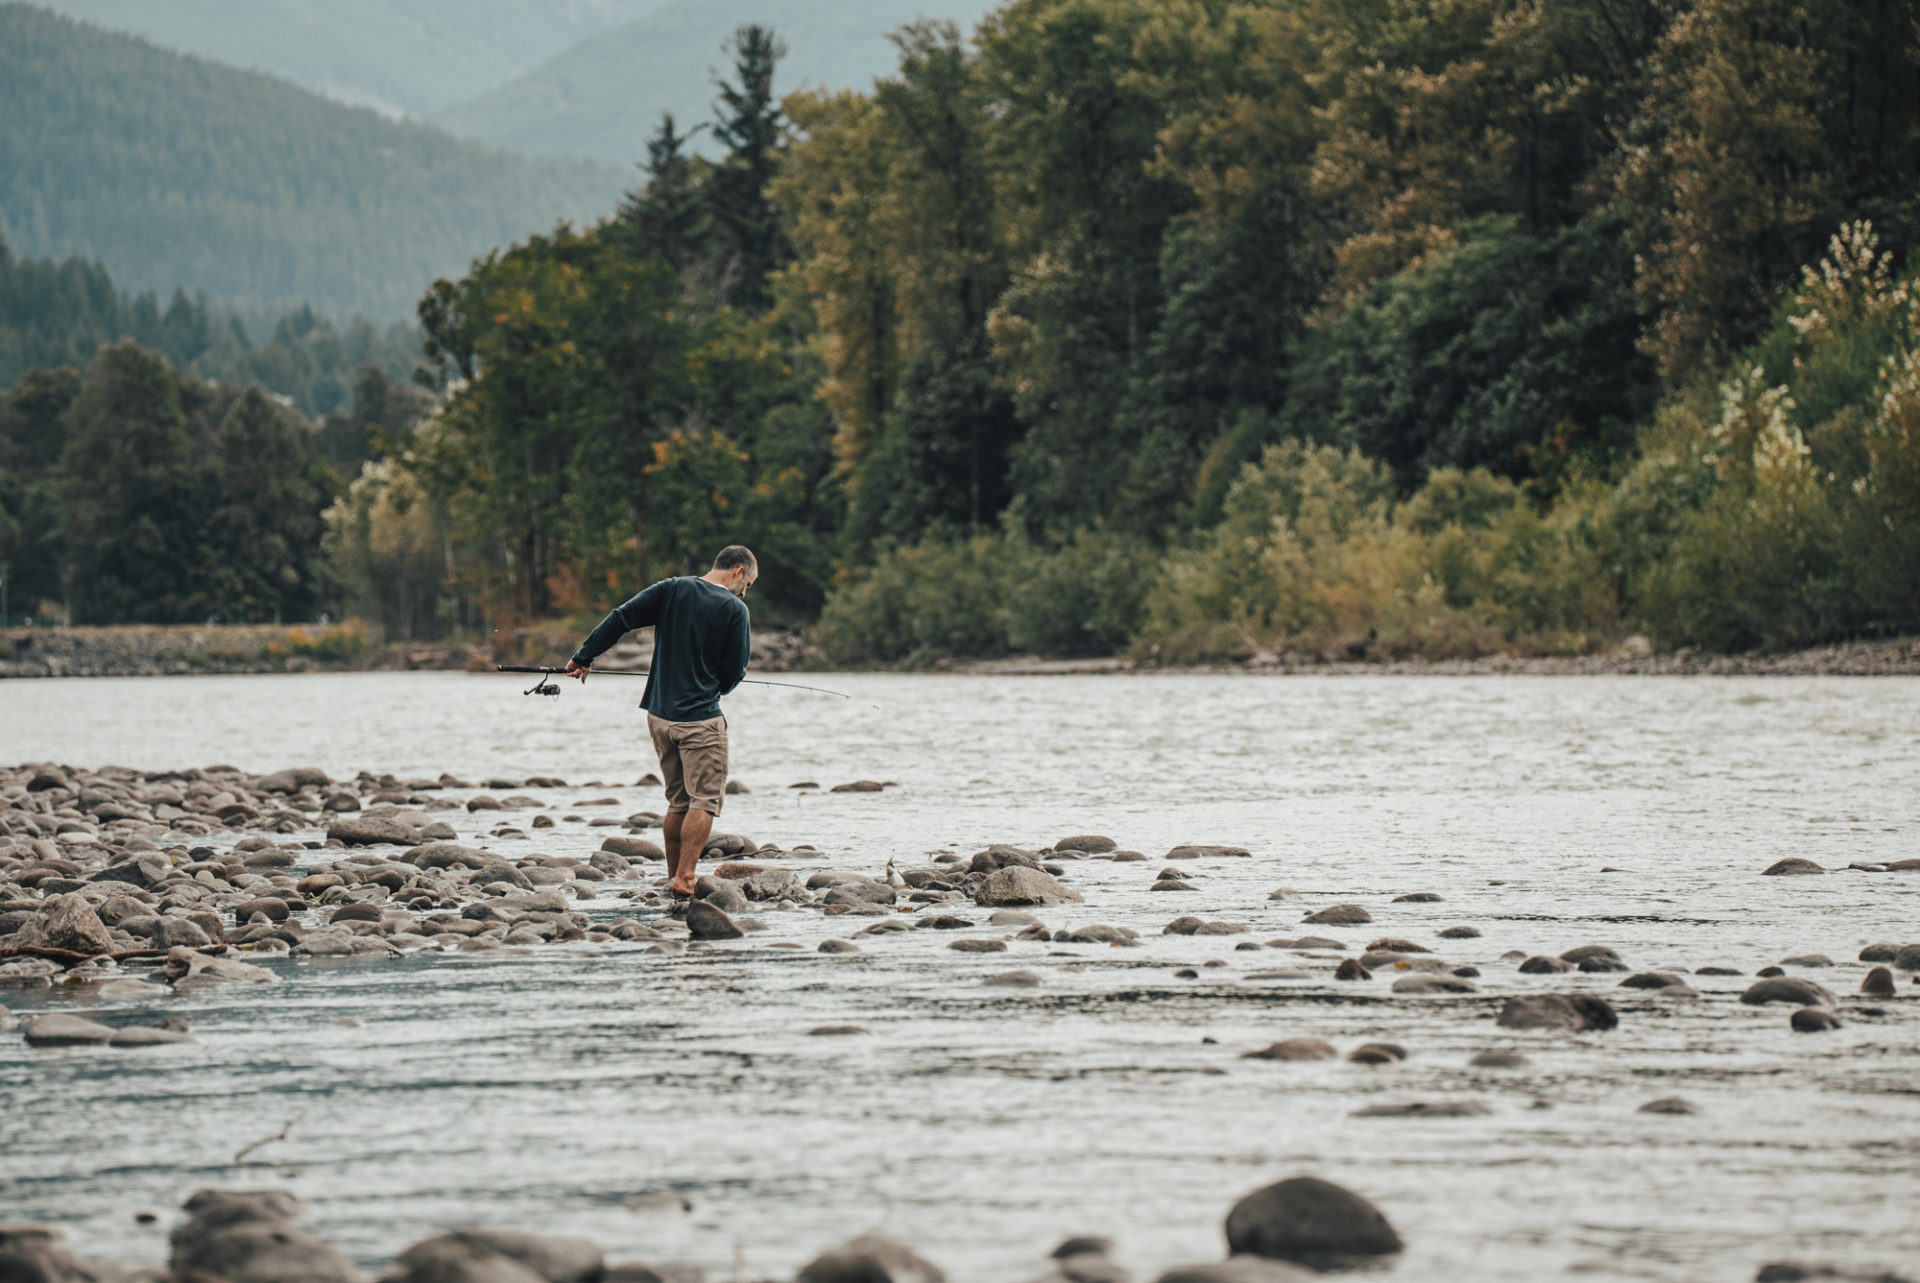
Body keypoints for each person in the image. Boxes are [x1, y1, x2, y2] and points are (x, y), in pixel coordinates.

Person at [566, 546, 756, 909]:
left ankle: (674, 876)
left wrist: (584, 655)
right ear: (738, 570)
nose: (746, 591)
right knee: (703, 801)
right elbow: (735, 672)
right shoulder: (735, 609)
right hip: (700, 721)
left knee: (678, 800)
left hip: (658, 717)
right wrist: (715, 689)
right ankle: (686, 878)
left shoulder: (672, 589)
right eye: (748, 582)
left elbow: (621, 617)